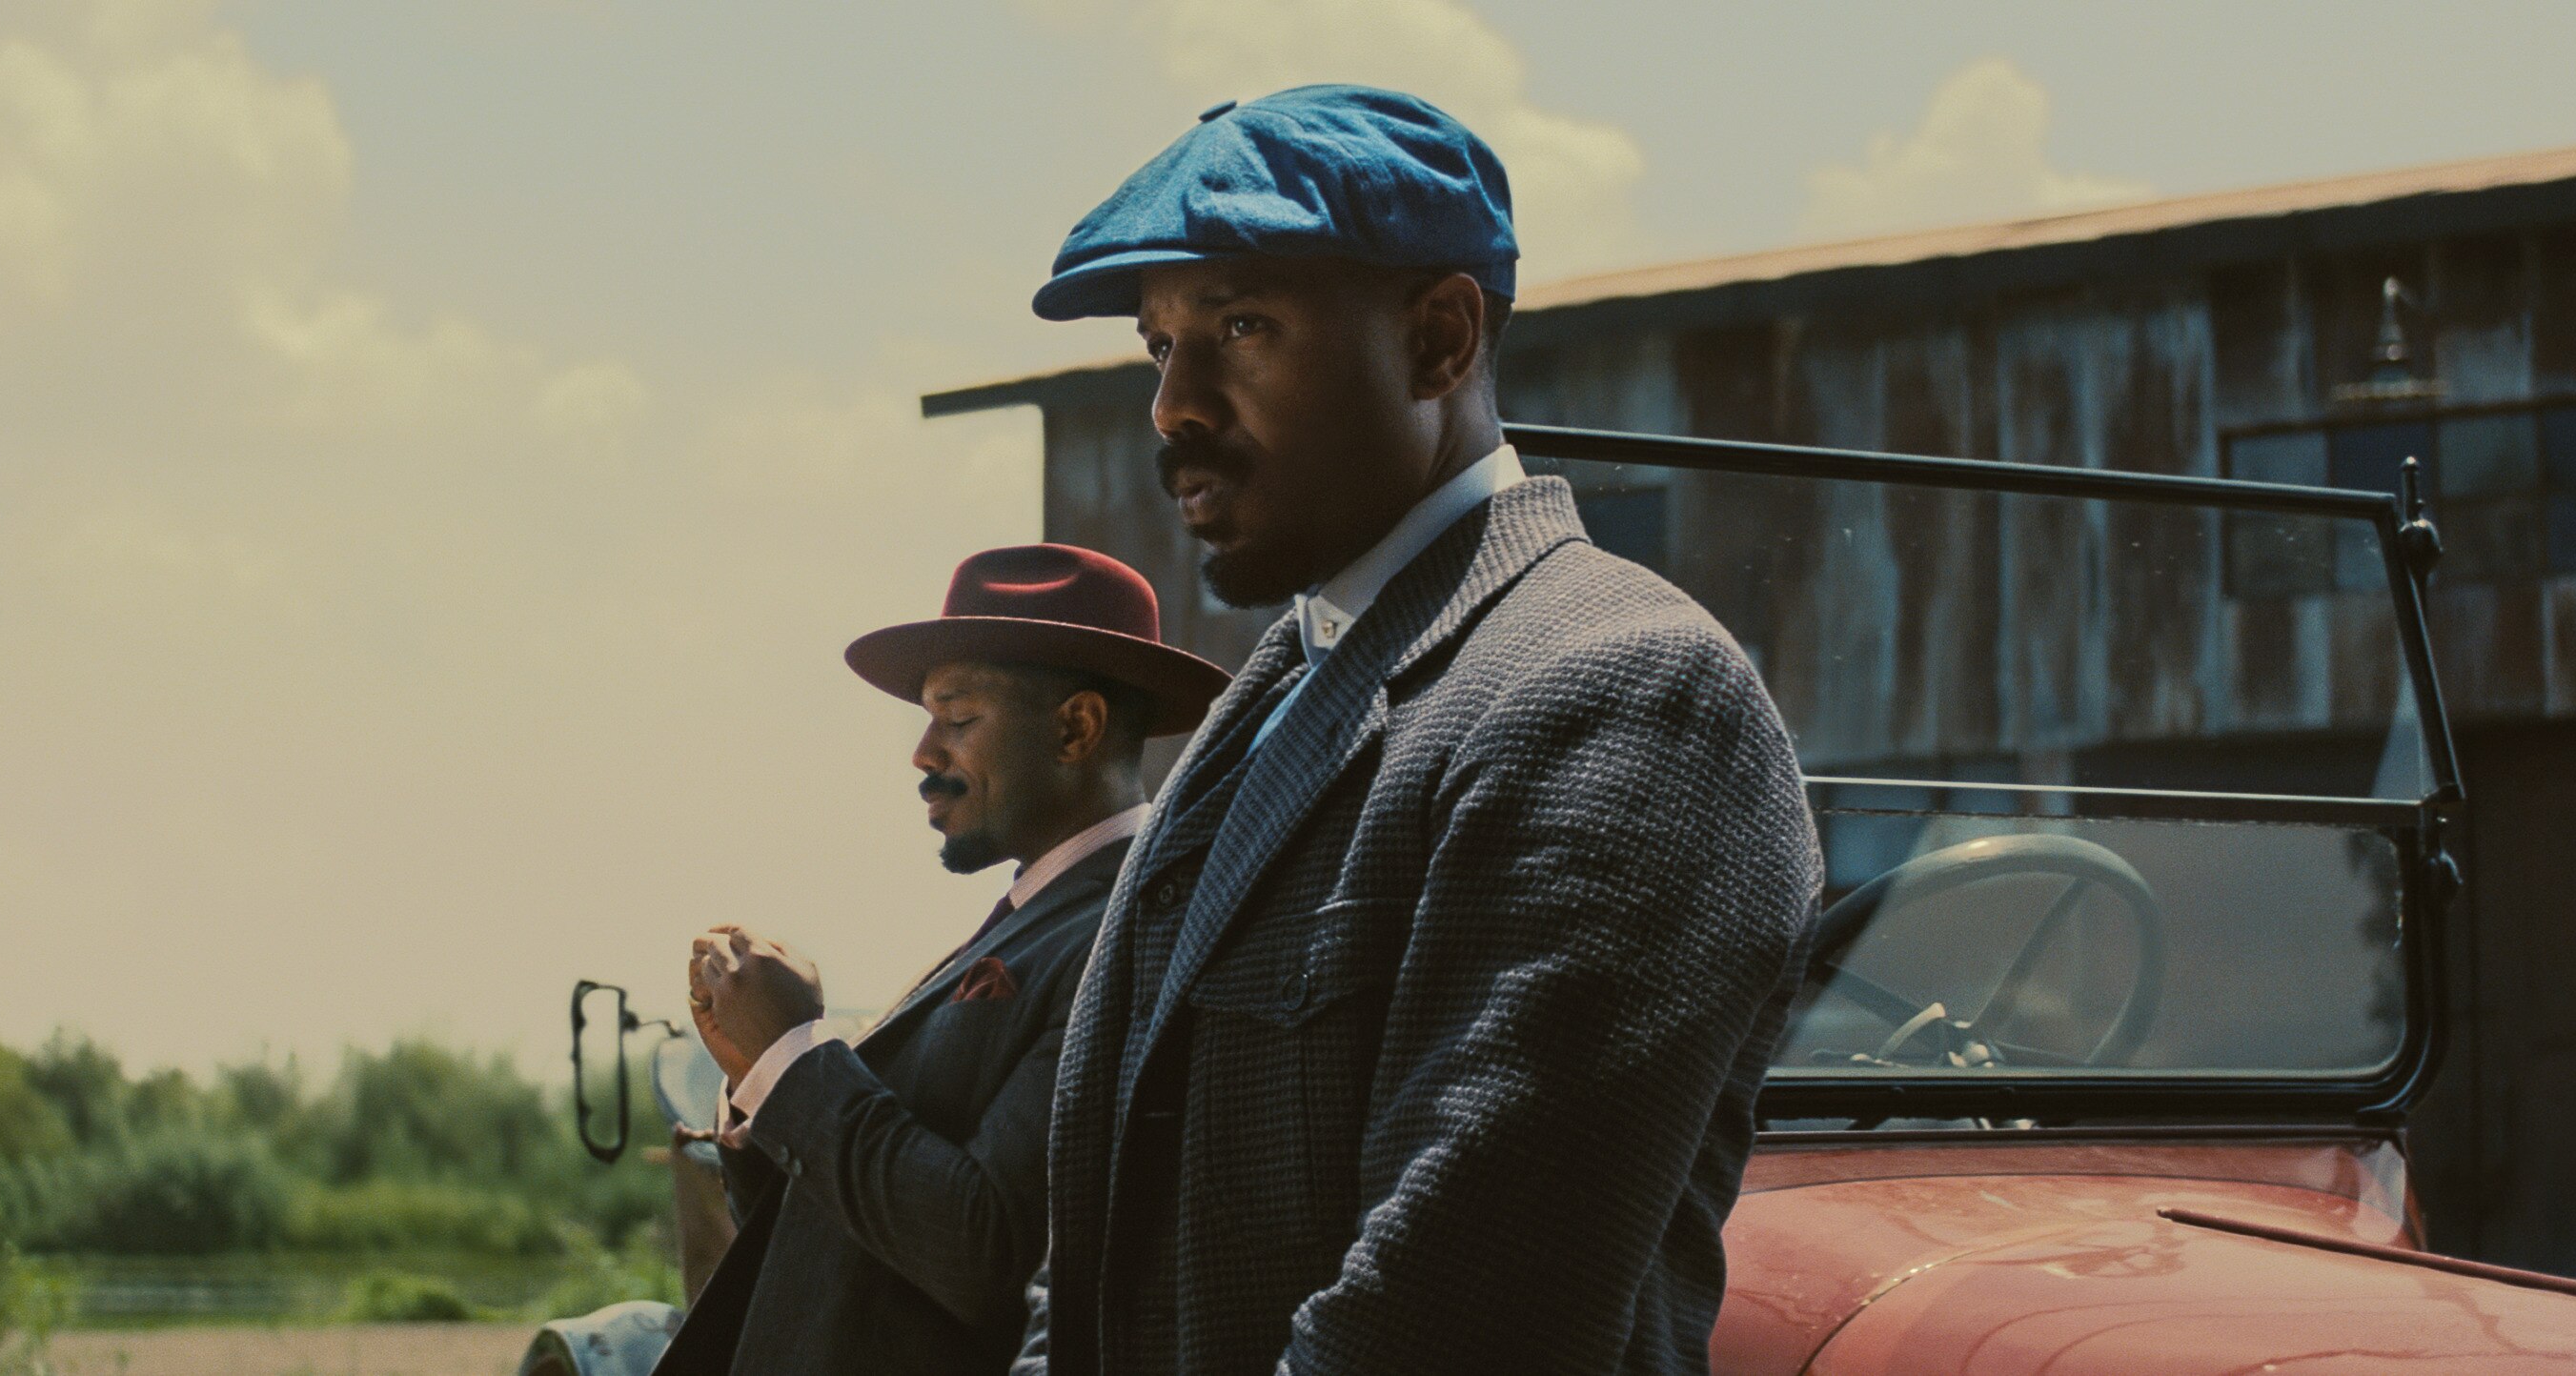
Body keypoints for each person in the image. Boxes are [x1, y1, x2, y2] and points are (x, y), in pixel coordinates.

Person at [1008, 86, 1822, 1375]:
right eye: (1159, 346)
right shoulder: (1272, 698)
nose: (1174, 406)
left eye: (1240, 324)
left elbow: (1448, 1326)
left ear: (1441, 339)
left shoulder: (1616, 690)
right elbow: (1100, 1244)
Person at [651, 544, 1228, 1376]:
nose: (924, 755)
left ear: (1076, 727)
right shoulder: (1031, 925)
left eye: (957, 719)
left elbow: (987, 1249)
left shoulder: (1128, 934)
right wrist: (759, 1079)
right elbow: (862, 1229)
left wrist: (794, 1060)